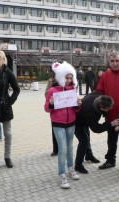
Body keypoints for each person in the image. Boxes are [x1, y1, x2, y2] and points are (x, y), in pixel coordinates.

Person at [44, 61, 82, 189]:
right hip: (58, 123)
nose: (69, 80)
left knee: (70, 147)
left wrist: (78, 104)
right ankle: (62, 174)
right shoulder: (52, 90)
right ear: (60, 77)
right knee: (63, 148)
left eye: (71, 78)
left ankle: (71, 169)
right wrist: (51, 103)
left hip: (71, 123)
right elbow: (47, 109)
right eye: (67, 77)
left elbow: (75, 109)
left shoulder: (73, 90)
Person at [74, 92, 119, 174]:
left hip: (84, 118)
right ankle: (78, 165)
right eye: (108, 110)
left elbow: (87, 95)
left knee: (87, 137)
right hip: (76, 121)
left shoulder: (100, 97)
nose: (109, 111)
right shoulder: (90, 111)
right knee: (84, 141)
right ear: (101, 108)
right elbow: (96, 129)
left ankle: (89, 156)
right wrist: (111, 124)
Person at [0, 50, 20, 170]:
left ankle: (7, 157)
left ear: (3, 60)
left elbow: (16, 89)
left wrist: (9, 102)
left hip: (5, 106)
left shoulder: (8, 72)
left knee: (7, 134)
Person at [45, 72, 58, 156]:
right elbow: (46, 93)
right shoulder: (51, 81)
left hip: (65, 109)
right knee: (55, 130)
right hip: (54, 108)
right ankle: (55, 149)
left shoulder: (65, 80)